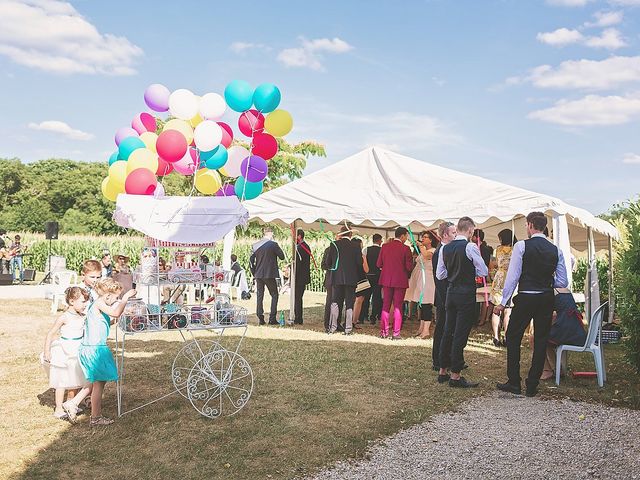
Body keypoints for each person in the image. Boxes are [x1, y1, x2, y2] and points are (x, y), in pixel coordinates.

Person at [495, 211, 569, 397]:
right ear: (544, 227)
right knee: (541, 339)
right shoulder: (556, 250)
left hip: (526, 296)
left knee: (513, 335)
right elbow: (562, 282)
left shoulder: (521, 246)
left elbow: (512, 277)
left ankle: (514, 381)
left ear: (529, 225)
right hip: (545, 298)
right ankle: (532, 384)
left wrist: (503, 302)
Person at [64, 278, 136, 426]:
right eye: (115, 297)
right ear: (108, 295)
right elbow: (115, 313)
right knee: (99, 384)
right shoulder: (99, 303)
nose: (116, 300)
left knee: (93, 382)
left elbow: (105, 321)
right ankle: (95, 417)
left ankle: (73, 403)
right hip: (95, 349)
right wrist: (126, 298)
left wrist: (119, 316)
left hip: (91, 347)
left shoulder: (96, 306)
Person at [436, 217, 488, 388]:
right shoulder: (470, 246)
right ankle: (456, 375)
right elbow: (483, 270)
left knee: (448, 330)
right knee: (460, 333)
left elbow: (440, 275)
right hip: (465, 293)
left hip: (451, 292)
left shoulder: (446, 248)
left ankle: (442, 370)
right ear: (471, 230)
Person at [41, 287, 92, 420]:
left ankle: (71, 402)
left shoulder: (83, 316)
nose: (85, 304)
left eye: (86, 301)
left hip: (77, 349)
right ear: (71, 301)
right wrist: (47, 350)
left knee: (74, 378)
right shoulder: (64, 317)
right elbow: (51, 333)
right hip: (64, 349)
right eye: (82, 301)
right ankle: (58, 408)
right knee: (62, 380)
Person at [540, 287, 587, 380]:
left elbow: (549, 314)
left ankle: (547, 370)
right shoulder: (566, 290)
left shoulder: (552, 292)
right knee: (545, 340)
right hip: (577, 331)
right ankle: (557, 369)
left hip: (566, 330)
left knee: (536, 339)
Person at [377, 227, 414, 340]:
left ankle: (384, 332)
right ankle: (396, 333)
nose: (406, 238)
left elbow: (379, 264)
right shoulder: (406, 249)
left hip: (386, 280)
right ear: (402, 236)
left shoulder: (385, 246)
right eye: (406, 236)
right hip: (400, 281)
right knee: (398, 306)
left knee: (386, 305)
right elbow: (409, 267)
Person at [326, 225, 363, 335]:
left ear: (341, 234)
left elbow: (328, 263)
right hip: (351, 279)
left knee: (335, 302)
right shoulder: (356, 246)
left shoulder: (334, 245)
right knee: (349, 303)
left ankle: (332, 327)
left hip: (336, 278)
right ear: (351, 234)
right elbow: (359, 263)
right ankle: (348, 328)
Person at [432, 221, 456, 371]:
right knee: (441, 328)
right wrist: (447, 299)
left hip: (447, 296)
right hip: (443, 297)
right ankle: (438, 360)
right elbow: (439, 280)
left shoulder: (448, 249)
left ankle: (447, 358)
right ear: (445, 234)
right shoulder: (439, 251)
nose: (456, 235)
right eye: (453, 233)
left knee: (448, 329)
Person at [250, 227, 285, 326]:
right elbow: (282, 256)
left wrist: (254, 273)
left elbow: (251, 261)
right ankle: (272, 318)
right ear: (270, 234)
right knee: (274, 295)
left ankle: (260, 317)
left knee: (260, 296)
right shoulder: (273, 245)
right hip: (269, 274)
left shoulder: (255, 245)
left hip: (259, 274)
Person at [408, 231, 438, 339]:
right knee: (421, 305)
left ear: (431, 240)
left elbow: (426, 256)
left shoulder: (433, 251)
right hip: (420, 279)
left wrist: (420, 245)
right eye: (423, 237)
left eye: (426, 237)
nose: (423, 239)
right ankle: (421, 328)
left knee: (426, 305)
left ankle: (426, 331)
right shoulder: (422, 251)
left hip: (428, 280)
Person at [490, 229, 517, 347]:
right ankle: (507, 336)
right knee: (508, 310)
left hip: (499, 278)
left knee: (496, 309)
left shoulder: (498, 250)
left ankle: (496, 336)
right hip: (511, 278)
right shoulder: (515, 250)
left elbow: (495, 263)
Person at [361, 234, 383, 325]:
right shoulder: (382, 250)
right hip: (378, 276)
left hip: (368, 276)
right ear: (379, 240)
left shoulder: (366, 249)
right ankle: (374, 316)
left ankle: (364, 315)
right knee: (376, 297)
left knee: (366, 296)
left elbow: (363, 262)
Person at [351, 237, 370, 329]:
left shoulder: (348, 255)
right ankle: (354, 321)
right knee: (359, 301)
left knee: (352, 300)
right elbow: (366, 269)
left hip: (351, 279)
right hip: (361, 280)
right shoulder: (361, 256)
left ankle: (350, 320)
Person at [294, 229, 311, 325]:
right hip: (303, 277)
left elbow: (298, 264)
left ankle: (298, 318)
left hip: (299, 277)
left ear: (299, 236)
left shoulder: (300, 248)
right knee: (298, 297)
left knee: (297, 298)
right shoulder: (305, 247)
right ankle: (298, 317)